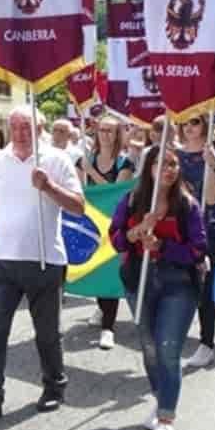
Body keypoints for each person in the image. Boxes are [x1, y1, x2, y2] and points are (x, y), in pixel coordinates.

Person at [0, 106, 84, 421]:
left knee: (47, 333)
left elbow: (79, 207)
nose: (19, 132)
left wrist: (48, 187)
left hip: (45, 260)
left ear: (40, 127)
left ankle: (54, 386)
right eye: (14, 126)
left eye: (26, 126)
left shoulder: (56, 159)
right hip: (4, 259)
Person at [109, 143, 207, 430]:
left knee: (168, 348)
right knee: (149, 347)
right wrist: (136, 233)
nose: (169, 169)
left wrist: (163, 246)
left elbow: (198, 250)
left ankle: (166, 421)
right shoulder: (132, 200)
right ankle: (162, 395)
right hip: (139, 282)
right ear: (148, 168)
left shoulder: (188, 205)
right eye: (162, 164)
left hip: (178, 285)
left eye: (173, 164)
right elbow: (115, 239)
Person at [177, 114, 215, 370]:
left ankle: (206, 344)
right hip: (176, 231)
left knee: (204, 291)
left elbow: (211, 200)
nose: (189, 127)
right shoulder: (173, 156)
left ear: (206, 126)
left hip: (206, 231)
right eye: (186, 122)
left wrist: (213, 167)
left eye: (195, 122)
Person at [83, 116, 135, 349]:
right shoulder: (86, 160)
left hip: (114, 225)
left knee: (109, 274)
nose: (104, 134)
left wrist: (90, 172)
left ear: (117, 135)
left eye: (110, 131)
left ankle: (108, 327)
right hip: (92, 225)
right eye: (101, 130)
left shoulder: (125, 163)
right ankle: (102, 308)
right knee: (95, 270)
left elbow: (115, 193)